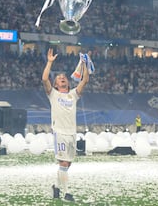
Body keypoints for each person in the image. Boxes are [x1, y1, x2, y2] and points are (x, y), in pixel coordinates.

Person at [42, 48, 89, 202]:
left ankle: (56, 187)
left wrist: (85, 65)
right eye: (59, 77)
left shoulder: (73, 94)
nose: (62, 78)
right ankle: (67, 193)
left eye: (64, 77)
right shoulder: (53, 94)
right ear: (55, 84)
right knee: (62, 162)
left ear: (67, 82)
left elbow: (85, 81)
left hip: (72, 133)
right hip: (59, 132)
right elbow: (44, 79)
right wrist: (49, 62)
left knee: (67, 164)